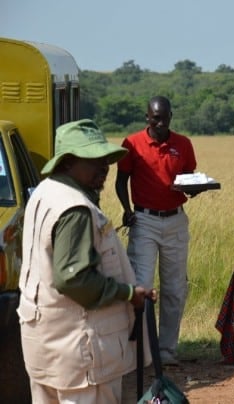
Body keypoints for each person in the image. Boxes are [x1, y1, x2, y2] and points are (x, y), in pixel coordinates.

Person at [17, 119, 156, 403]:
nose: (104, 166)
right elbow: (73, 278)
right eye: (93, 159)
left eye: (105, 159)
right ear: (67, 162)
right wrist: (129, 293)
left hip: (45, 346)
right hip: (80, 351)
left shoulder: (44, 191)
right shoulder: (75, 208)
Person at [115, 95, 200, 366]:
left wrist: (195, 190)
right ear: (147, 118)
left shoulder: (183, 144)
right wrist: (127, 210)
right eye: (155, 118)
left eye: (164, 118)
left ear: (171, 117)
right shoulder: (132, 144)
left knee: (175, 287)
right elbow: (120, 182)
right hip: (144, 220)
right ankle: (141, 351)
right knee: (142, 286)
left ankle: (166, 351)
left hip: (175, 219)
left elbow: (189, 180)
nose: (160, 124)